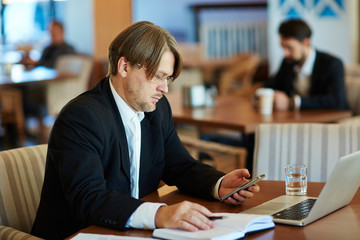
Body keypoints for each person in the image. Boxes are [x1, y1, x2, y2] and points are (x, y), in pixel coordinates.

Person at [31, 21, 260, 240]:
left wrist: (218, 184)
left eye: (168, 78)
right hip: (81, 233)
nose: (165, 88)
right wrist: (159, 214)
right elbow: (88, 199)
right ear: (124, 67)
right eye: (159, 76)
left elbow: (179, 166)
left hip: (132, 231)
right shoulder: (81, 118)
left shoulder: (157, 108)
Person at [265, 19, 348, 110]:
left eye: (289, 47)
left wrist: (292, 102)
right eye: (283, 47)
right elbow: (272, 85)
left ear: (305, 42)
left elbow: (337, 101)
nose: (285, 53)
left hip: (328, 120)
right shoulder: (288, 62)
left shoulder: (332, 64)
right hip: (298, 119)